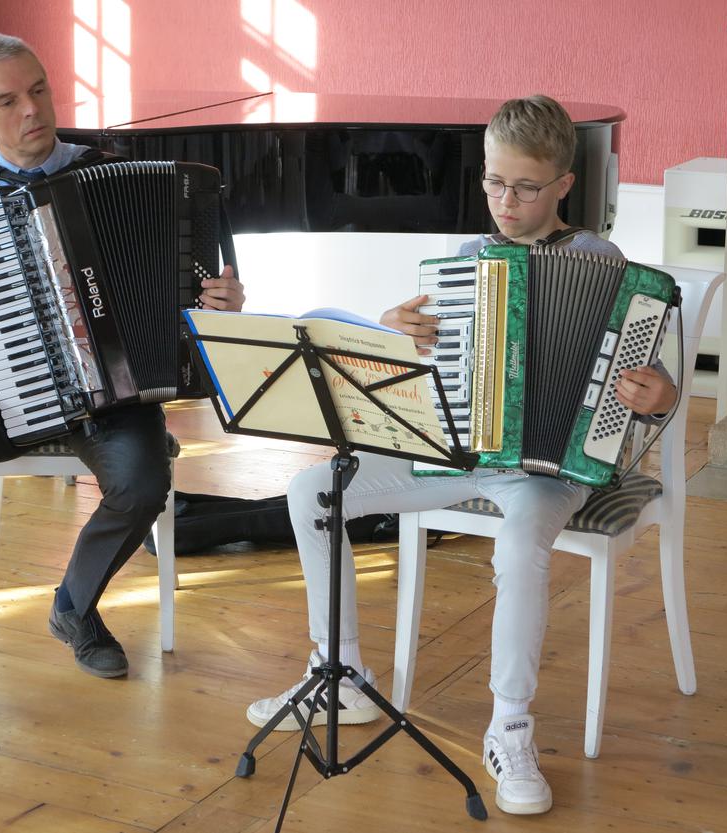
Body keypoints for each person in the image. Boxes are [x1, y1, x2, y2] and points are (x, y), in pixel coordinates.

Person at [245, 95, 676, 816]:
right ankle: (341, 671)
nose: (505, 202)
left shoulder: (603, 262)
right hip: (456, 455)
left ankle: (509, 723)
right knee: (313, 491)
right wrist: (392, 334)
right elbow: (417, 382)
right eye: (493, 183)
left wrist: (655, 392)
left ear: (565, 185)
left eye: (526, 187)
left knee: (518, 543)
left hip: (550, 469)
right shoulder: (460, 262)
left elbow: (658, 389)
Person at [0, 33, 244, 735]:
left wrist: (219, 299)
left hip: (118, 390)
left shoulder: (111, 171)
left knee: (143, 483)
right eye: (9, 100)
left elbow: (194, 294)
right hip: (10, 384)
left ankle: (74, 603)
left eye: (39, 90)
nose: (32, 109)